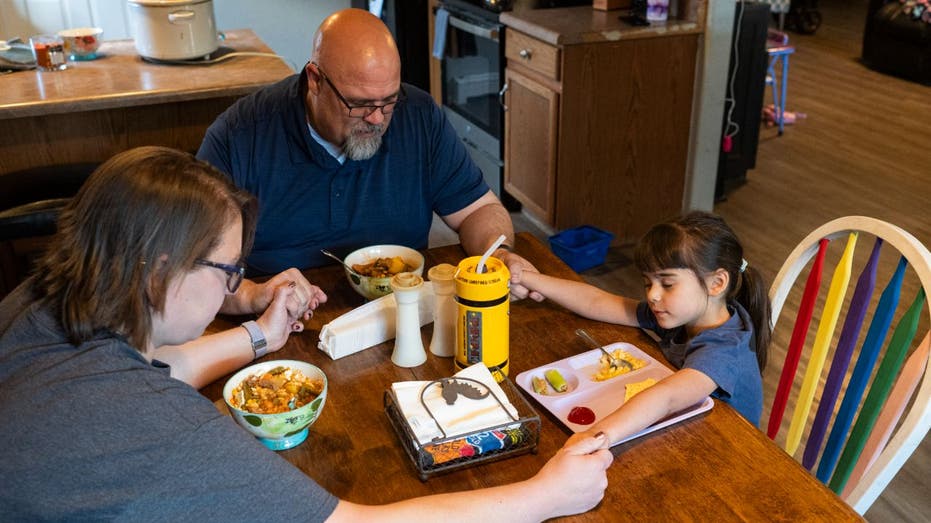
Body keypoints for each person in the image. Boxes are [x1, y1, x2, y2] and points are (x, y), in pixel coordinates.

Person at [0, 146, 612, 521]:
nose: (235, 285)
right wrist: (545, 496)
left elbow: (167, 368)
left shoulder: (43, 300)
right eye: (227, 270)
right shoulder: (139, 422)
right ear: (161, 271)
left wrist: (264, 336)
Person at [196, 8, 542, 301]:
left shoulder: (418, 115)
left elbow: (478, 210)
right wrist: (253, 297)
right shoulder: (240, 136)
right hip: (275, 319)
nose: (377, 119)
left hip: (401, 307)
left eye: (389, 100)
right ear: (315, 80)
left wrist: (497, 255)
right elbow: (194, 270)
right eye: (359, 104)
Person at [514, 211, 772, 447]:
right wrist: (525, 278)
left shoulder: (725, 349)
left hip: (727, 450)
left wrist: (595, 438)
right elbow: (596, 301)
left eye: (667, 284)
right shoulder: (681, 313)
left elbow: (667, 397)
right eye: (648, 283)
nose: (653, 295)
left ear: (716, 283)